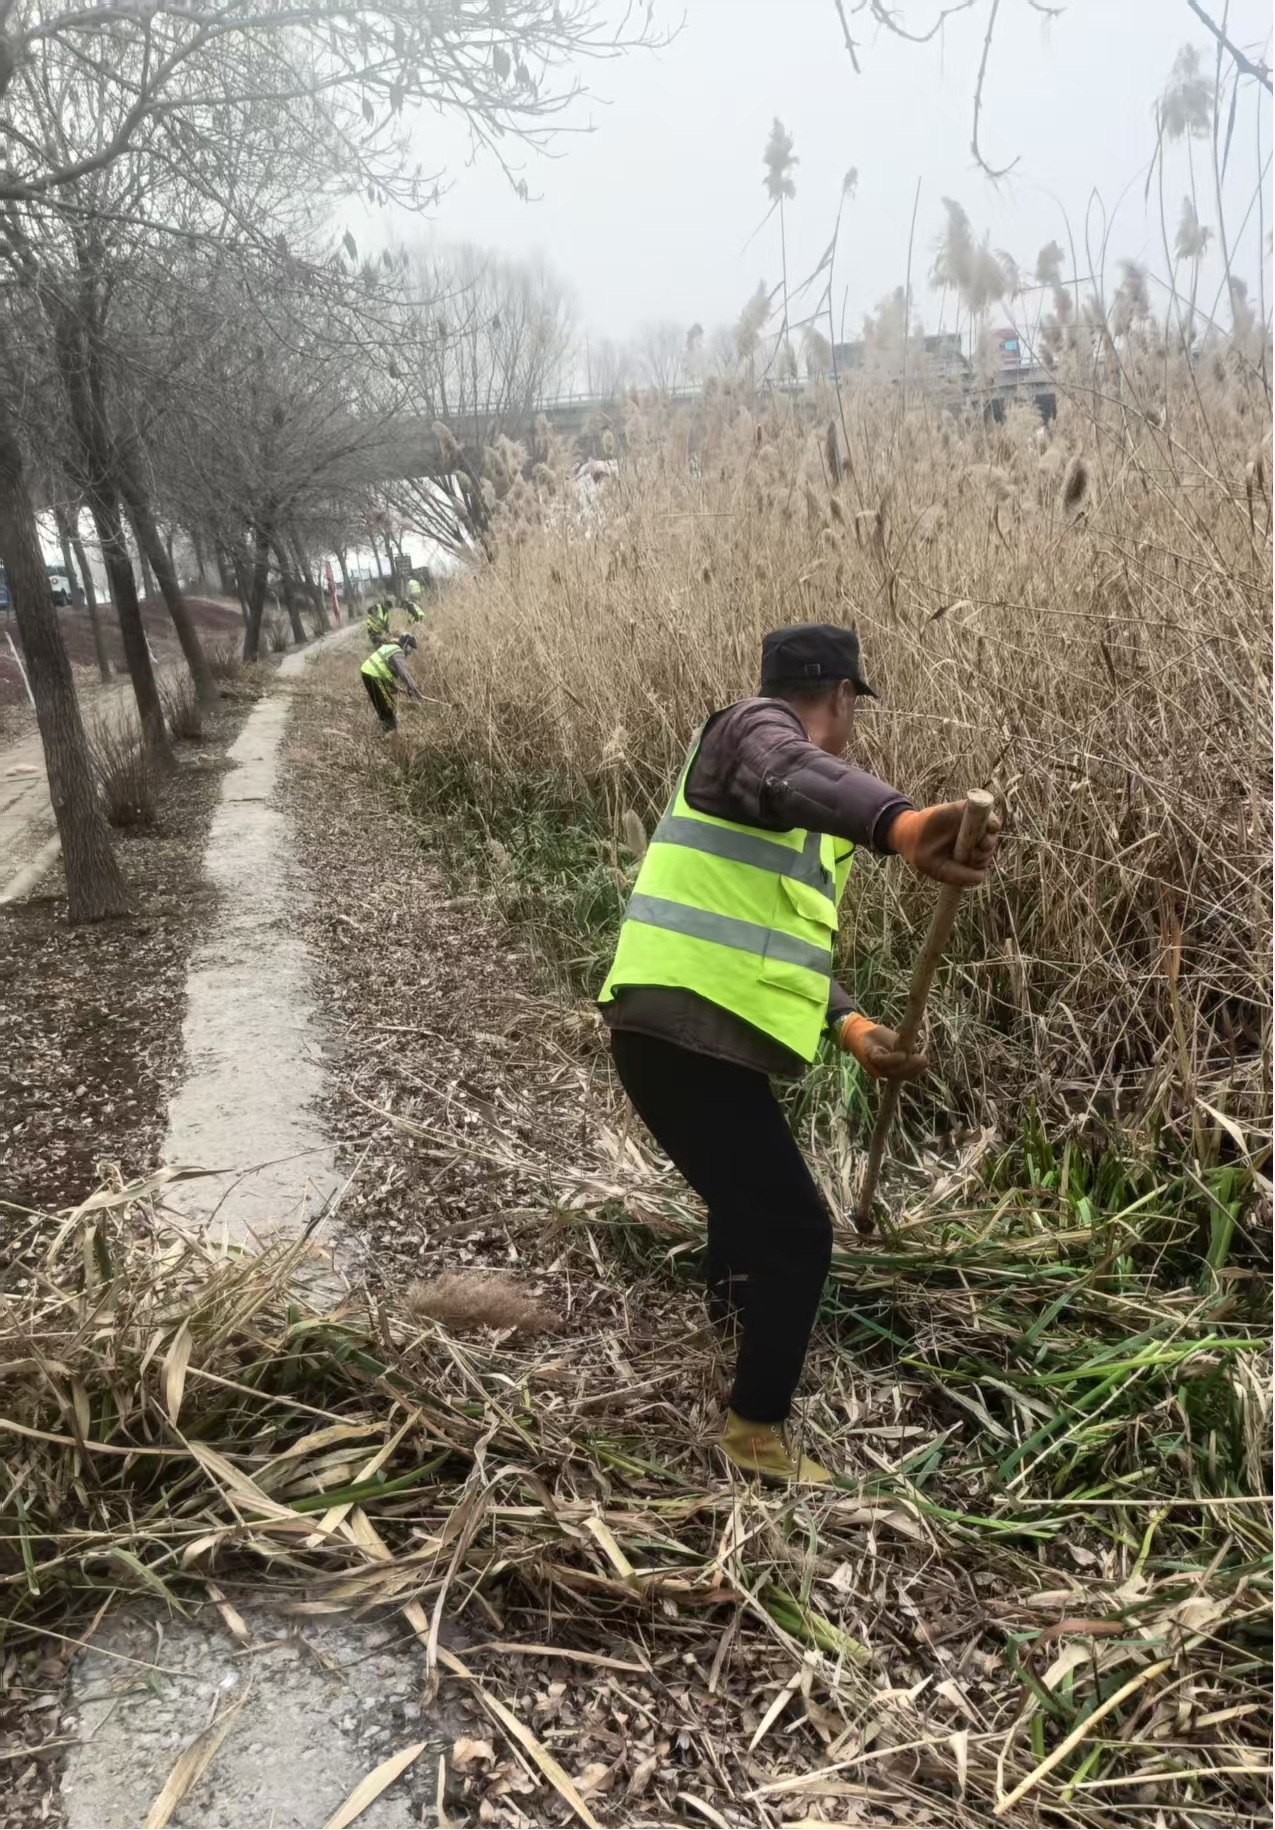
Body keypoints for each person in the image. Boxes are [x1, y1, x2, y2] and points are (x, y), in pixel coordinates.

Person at [598, 624, 1001, 1485]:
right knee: (796, 1231)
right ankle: (754, 1432)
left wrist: (857, 1032)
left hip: (692, 1040)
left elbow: (788, 958)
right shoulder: (748, 732)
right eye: (854, 703)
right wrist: (902, 823)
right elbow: (790, 764)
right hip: (679, 1032)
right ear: (843, 696)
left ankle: (731, 1329)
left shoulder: (803, 827)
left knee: (744, 1202)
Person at [360, 631, 423, 733]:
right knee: (388, 707)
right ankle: (391, 733)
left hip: (369, 673)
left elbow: (386, 667)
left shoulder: (391, 647)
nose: (411, 652)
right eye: (411, 648)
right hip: (374, 675)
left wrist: (392, 685)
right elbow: (403, 673)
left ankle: (387, 731)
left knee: (382, 704)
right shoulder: (397, 651)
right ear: (406, 644)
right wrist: (414, 690)